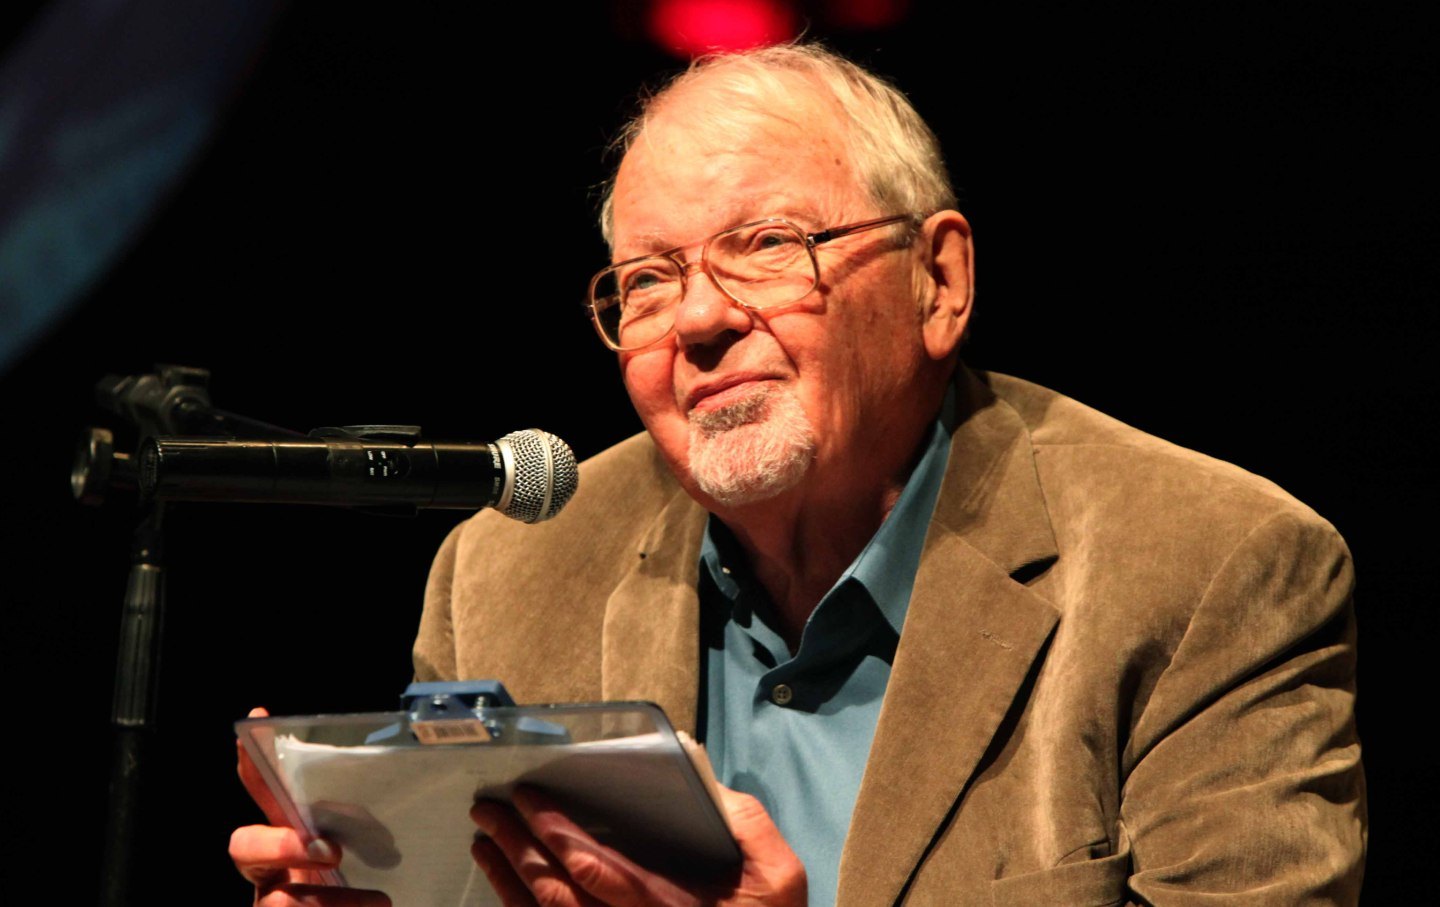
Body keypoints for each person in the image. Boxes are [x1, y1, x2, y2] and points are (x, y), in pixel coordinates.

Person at [231, 43, 1365, 906]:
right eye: (647, 281)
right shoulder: (508, 572)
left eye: (770, 244)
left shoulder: (1212, 568)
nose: (702, 321)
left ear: (940, 281)